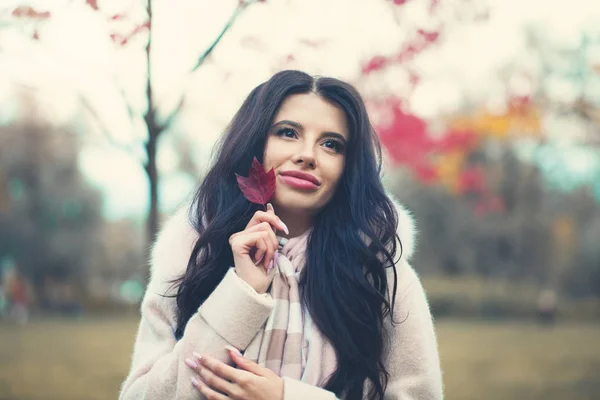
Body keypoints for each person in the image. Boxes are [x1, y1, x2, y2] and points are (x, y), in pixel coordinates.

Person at [119, 70, 443, 400]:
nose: (307, 155)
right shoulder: (190, 260)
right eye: (288, 133)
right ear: (254, 143)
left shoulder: (381, 276)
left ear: (349, 168)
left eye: (331, 144)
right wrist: (240, 293)